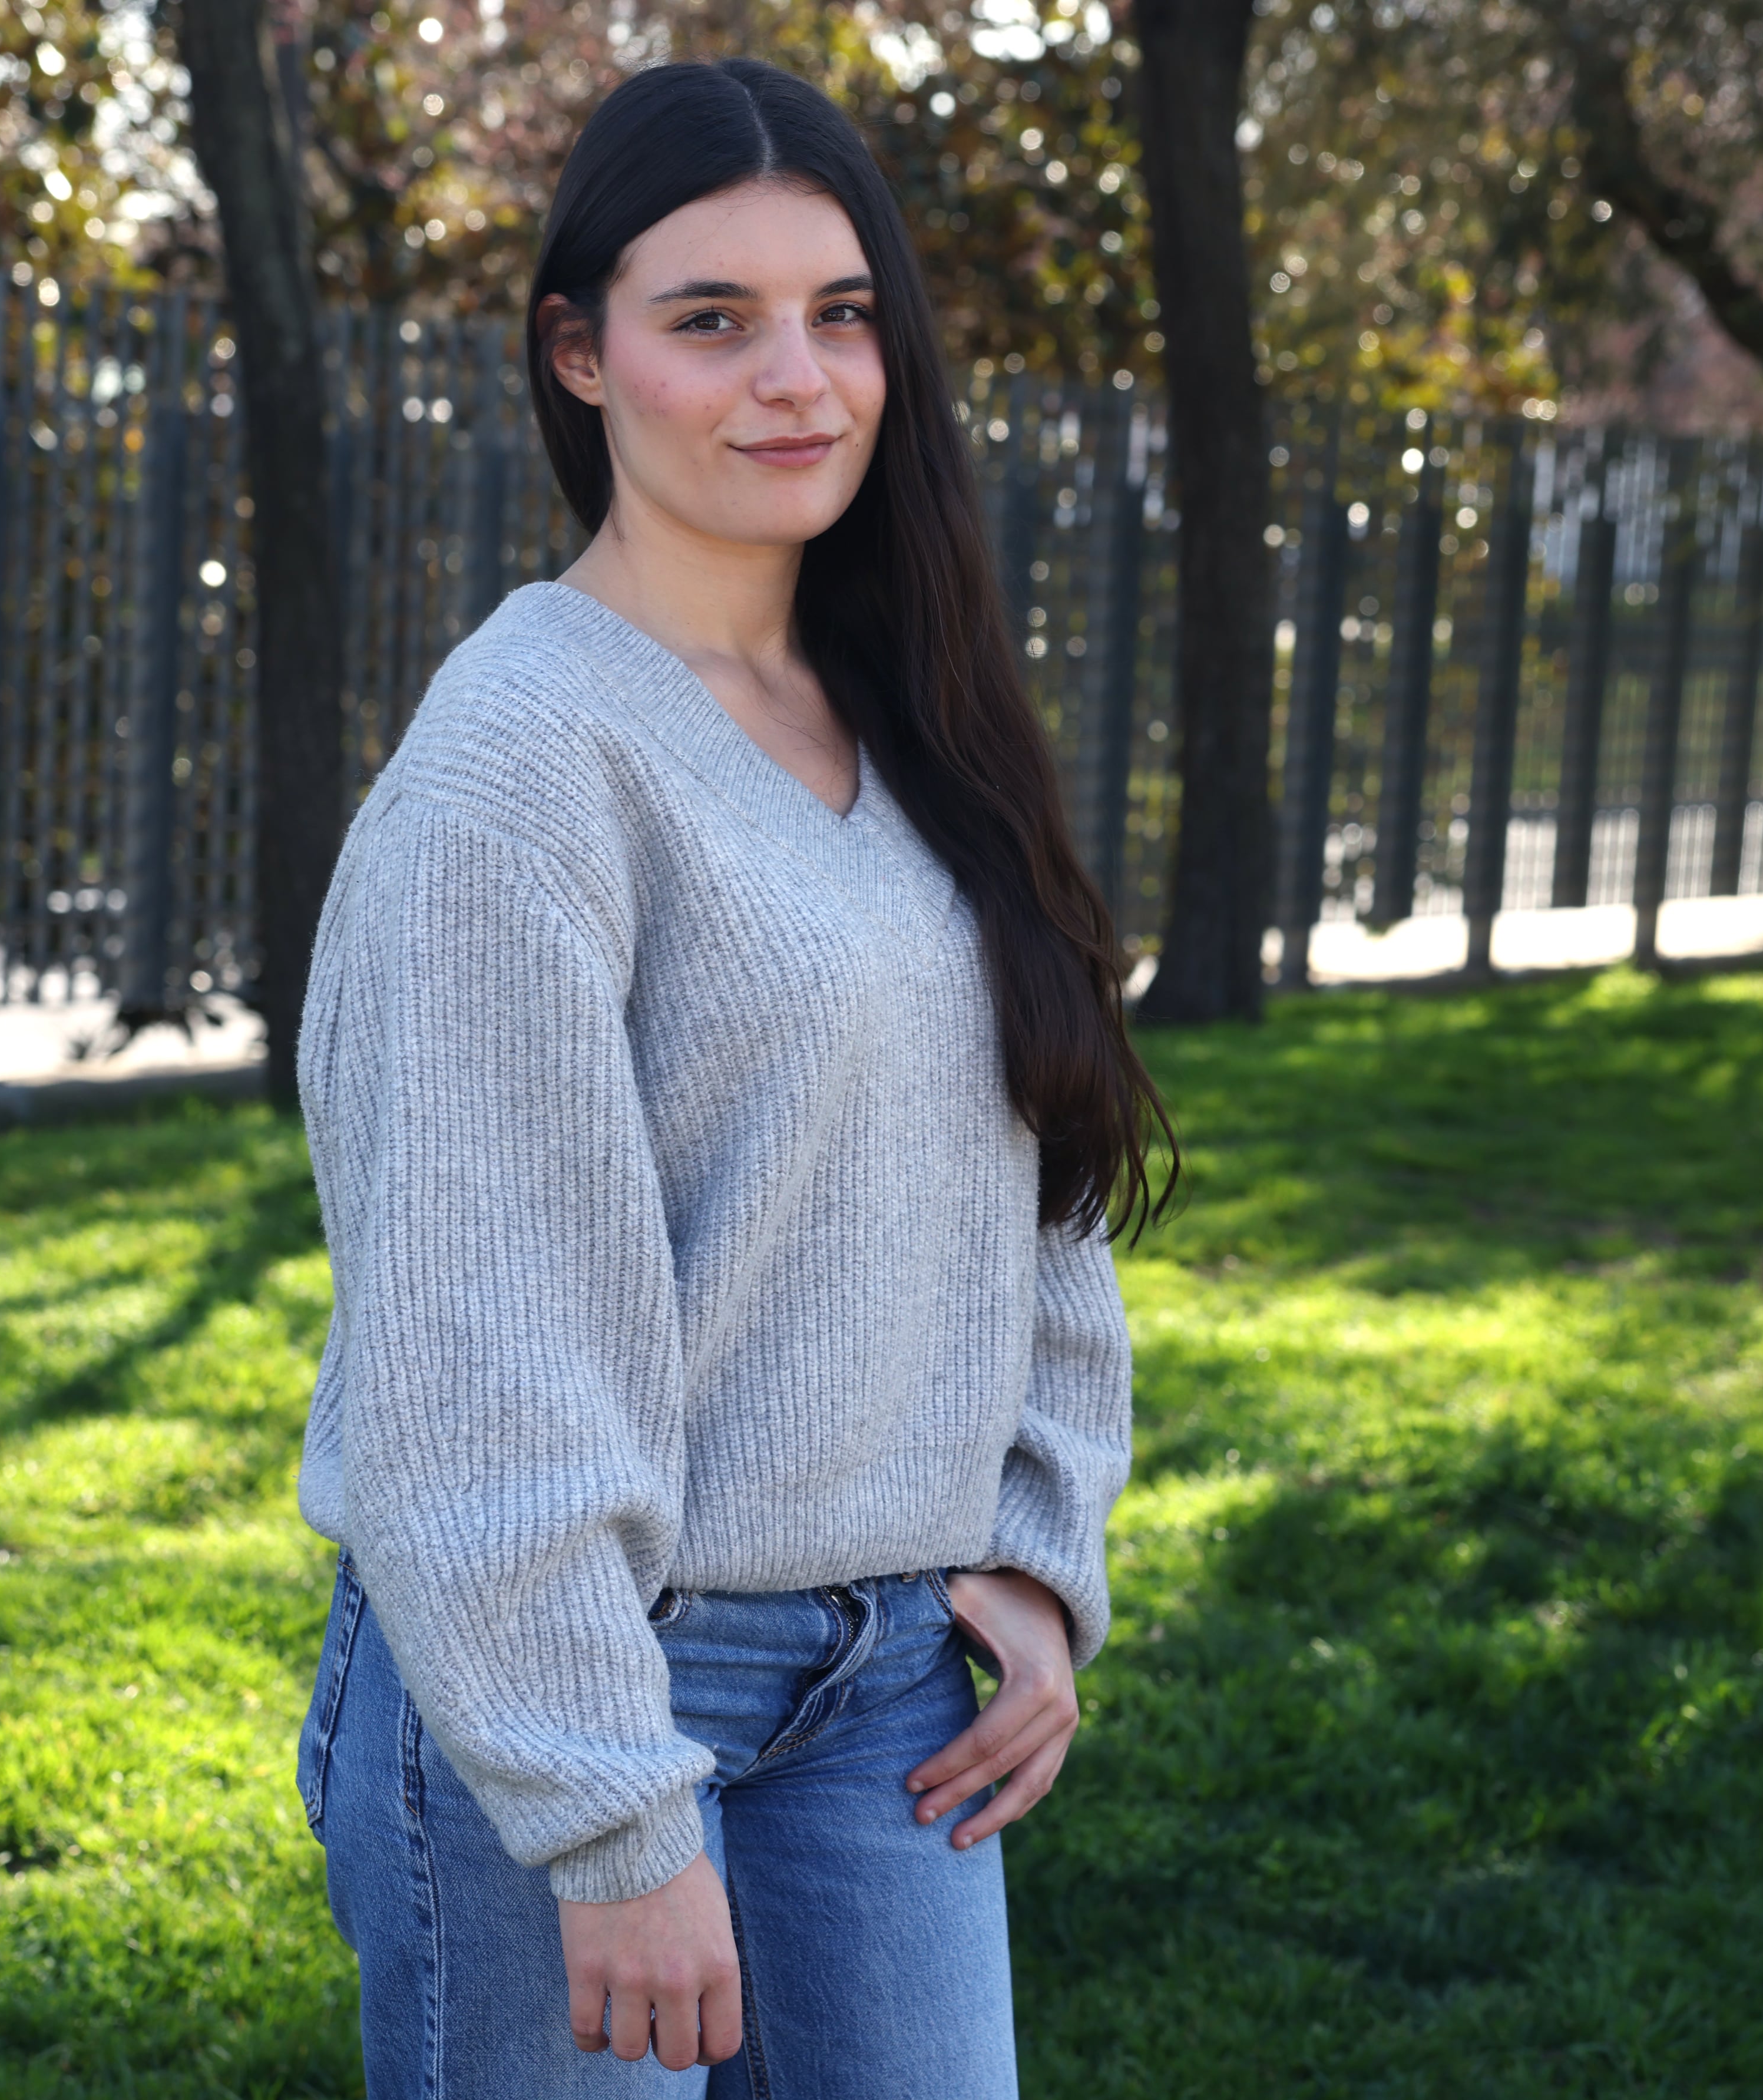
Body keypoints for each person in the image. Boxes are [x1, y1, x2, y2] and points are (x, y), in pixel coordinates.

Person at [290, 55, 1173, 2098]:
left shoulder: (908, 705)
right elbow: (469, 1343)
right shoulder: (517, 771)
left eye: (841, 314)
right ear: (579, 358)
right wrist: (604, 1812)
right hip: (567, 1695)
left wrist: (1039, 1558)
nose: (800, 377)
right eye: (714, 321)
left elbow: (1016, 1164)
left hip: (886, 1702)